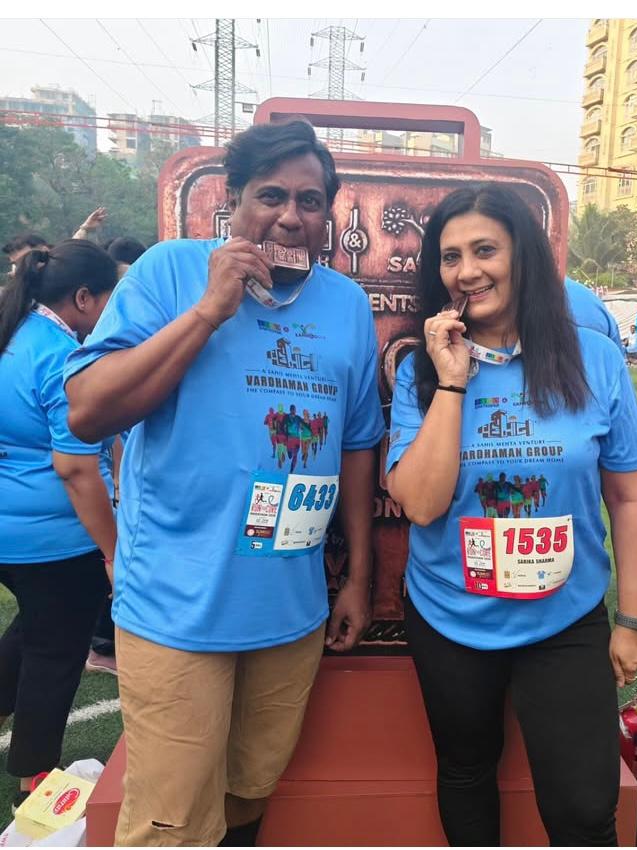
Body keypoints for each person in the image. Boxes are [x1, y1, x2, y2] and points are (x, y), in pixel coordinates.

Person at [63, 120, 385, 846]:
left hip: (289, 610)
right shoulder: (169, 273)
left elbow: (357, 445)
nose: (290, 217)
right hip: (176, 609)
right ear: (232, 201)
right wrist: (210, 310)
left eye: (310, 201)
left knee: (250, 791)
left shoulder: (345, 305)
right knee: (169, 821)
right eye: (271, 196)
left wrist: (358, 579)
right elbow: (88, 412)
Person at [386, 185, 637, 846]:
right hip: (451, 616)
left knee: (585, 807)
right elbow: (421, 504)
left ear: (524, 256)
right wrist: (452, 381)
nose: (466, 271)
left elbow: (628, 498)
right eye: (450, 256)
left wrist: (632, 621)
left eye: (485, 250)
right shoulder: (422, 370)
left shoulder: (594, 359)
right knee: (467, 769)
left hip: (564, 617)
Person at [0, 240, 117, 810]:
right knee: (55, 654)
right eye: (110, 300)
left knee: (34, 629)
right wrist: (113, 550)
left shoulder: (14, 333)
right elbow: (75, 468)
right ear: (84, 298)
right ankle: (33, 779)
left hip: (12, 530)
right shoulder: (60, 356)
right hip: (53, 538)